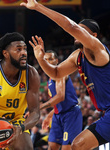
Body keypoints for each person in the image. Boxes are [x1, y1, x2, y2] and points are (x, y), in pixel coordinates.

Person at [21, 0, 110, 149]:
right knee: (77, 145)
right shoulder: (77, 56)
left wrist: (38, 7)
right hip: (106, 112)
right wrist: (41, 59)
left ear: (93, 35)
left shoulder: (97, 48)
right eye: (79, 29)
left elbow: (71, 26)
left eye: (83, 30)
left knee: (77, 145)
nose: (77, 33)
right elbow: (55, 73)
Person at [41, 50, 82, 150]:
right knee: (52, 146)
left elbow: (60, 97)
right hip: (58, 115)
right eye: (45, 60)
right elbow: (59, 104)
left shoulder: (61, 73)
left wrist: (39, 107)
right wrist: (49, 116)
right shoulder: (50, 80)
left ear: (56, 60)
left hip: (71, 114)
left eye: (50, 59)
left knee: (66, 148)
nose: (48, 62)